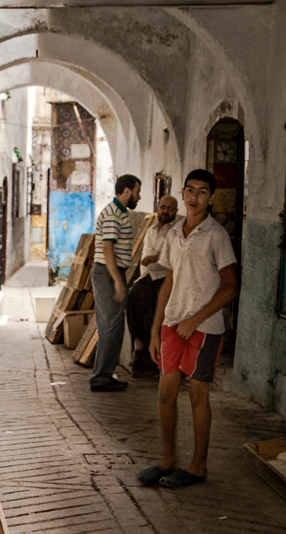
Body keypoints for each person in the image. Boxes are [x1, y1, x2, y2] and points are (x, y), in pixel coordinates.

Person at [137, 169, 238, 489]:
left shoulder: (216, 235)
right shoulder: (173, 233)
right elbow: (168, 281)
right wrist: (156, 329)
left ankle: (198, 466)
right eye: (190, 190)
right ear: (182, 193)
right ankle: (167, 460)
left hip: (205, 327)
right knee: (165, 393)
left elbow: (231, 286)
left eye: (203, 192)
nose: (195, 197)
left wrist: (194, 320)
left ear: (211, 198)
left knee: (197, 395)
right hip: (172, 325)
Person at [90, 174, 141, 392]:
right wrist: (118, 282)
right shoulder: (112, 214)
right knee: (111, 326)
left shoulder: (119, 213)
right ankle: (101, 377)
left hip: (110, 273)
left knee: (112, 326)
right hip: (107, 273)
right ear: (127, 191)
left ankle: (105, 374)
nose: (138, 196)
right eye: (137, 191)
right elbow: (107, 249)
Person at [127, 194, 178, 375]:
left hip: (166, 277)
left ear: (176, 211)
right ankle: (138, 345)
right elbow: (146, 260)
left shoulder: (177, 231)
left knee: (152, 315)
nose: (165, 211)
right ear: (158, 208)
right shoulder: (151, 231)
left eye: (170, 208)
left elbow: (171, 258)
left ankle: (151, 361)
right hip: (149, 277)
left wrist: (156, 258)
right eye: (163, 207)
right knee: (132, 298)